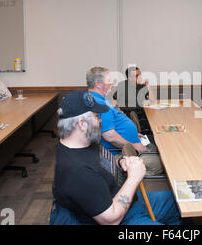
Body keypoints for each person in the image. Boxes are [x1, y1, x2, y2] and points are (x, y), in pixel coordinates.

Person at [50, 89, 181, 225]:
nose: (100, 121)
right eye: (96, 116)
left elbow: (103, 162)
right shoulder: (77, 170)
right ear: (82, 124)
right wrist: (133, 178)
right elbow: (111, 220)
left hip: (128, 200)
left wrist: (121, 162)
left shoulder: (86, 143)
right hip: (122, 215)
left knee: (178, 201)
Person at [87, 67, 164, 176]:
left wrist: (132, 134)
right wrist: (134, 145)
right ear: (98, 84)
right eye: (109, 80)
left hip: (130, 143)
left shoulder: (97, 99)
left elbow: (108, 128)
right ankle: (134, 181)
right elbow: (109, 136)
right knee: (162, 162)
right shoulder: (100, 105)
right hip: (123, 152)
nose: (111, 83)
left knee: (156, 148)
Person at [113, 66, 156, 132]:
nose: (139, 77)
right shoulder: (122, 85)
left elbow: (153, 101)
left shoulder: (141, 85)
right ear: (130, 78)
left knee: (154, 123)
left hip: (142, 113)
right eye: (136, 75)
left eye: (140, 75)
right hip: (128, 114)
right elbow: (115, 100)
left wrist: (147, 85)